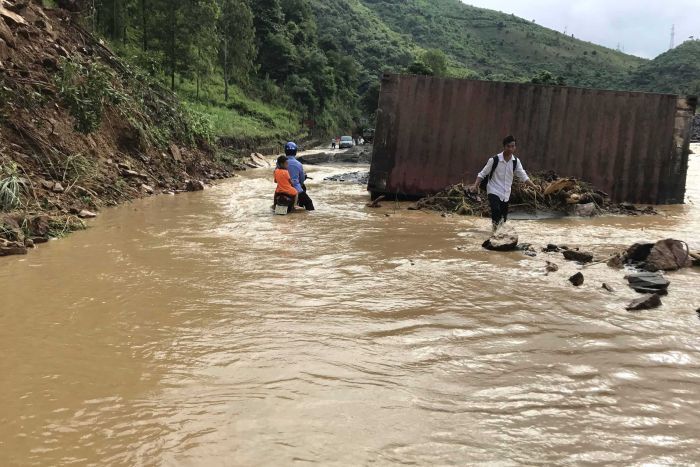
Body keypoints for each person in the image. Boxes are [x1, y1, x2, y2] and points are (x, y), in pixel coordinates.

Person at [471, 135, 538, 231]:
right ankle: (494, 234)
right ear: (504, 147)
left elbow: (523, 176)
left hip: (506, 193)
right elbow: (482, 173)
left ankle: (499, 233)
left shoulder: (516, 162)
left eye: (513, 146)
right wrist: (475, 186)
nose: (511, 149)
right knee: (495, 210)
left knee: (503, 219)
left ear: (515, 147)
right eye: (508, 146)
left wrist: (534, 186)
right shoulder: (494, 160)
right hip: (493, 190)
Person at [284, 142, 315, 211]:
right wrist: (300, 182)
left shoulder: (280, 163)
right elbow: (301, 179)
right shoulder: (298, 164)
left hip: (282, 189)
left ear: (285, 151)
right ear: (295, 151)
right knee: (309, 203)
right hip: (296, 189)